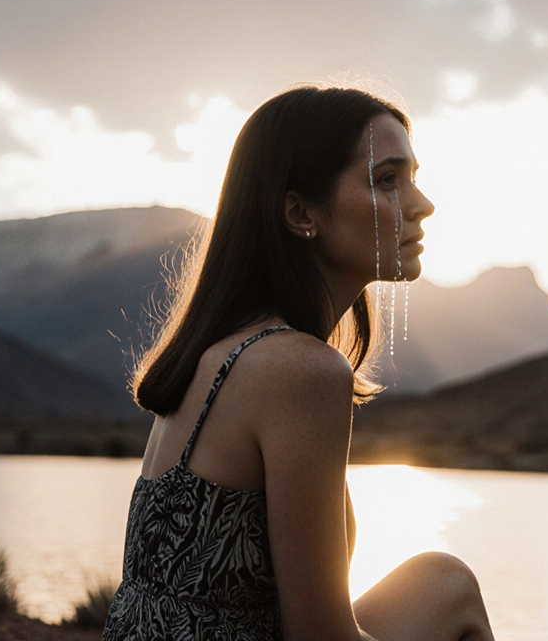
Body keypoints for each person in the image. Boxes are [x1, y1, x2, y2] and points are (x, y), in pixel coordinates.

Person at [103, 85, 495, 641]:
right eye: (387, 179)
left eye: (411, 176)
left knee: (440, 582)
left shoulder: (220, 352)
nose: (421, 203)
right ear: (299, 211)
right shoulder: (300, 371)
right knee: (450, 590)